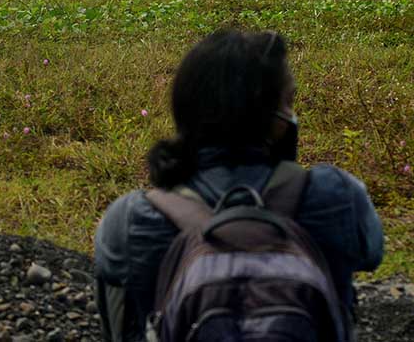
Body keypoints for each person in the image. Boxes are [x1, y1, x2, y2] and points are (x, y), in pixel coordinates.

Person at [94, 29, 383, 342]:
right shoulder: (337, 194)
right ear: (274, 117)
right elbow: (372, 252)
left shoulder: (131, 218)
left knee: (119, 286)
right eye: (289, 102)